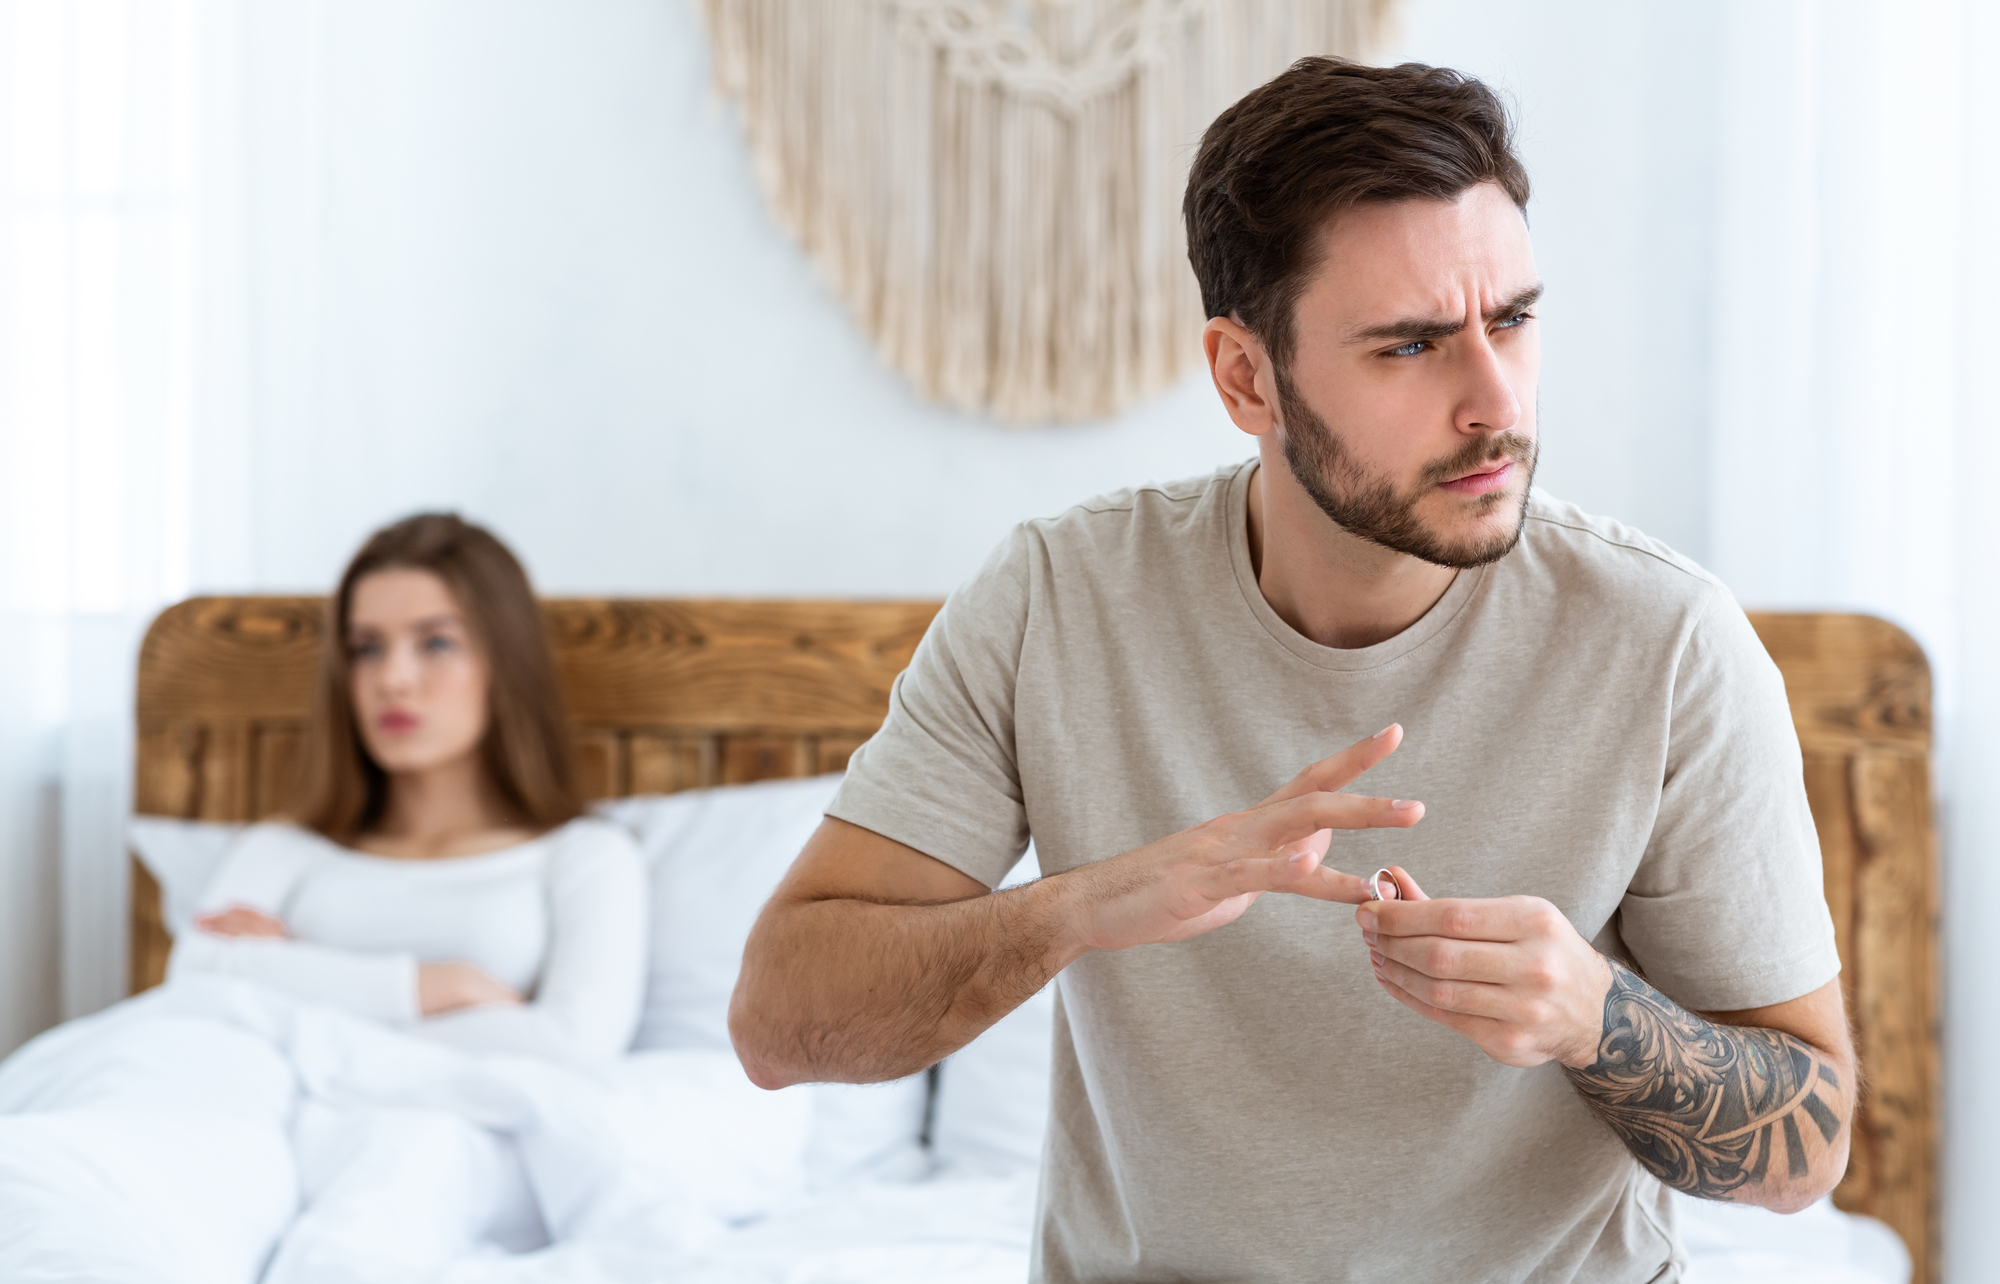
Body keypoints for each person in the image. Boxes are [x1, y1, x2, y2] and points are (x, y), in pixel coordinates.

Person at [730, 57, 1852, 1282]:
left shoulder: (1665, 641)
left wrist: (1597, 1016)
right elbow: (779, 1024)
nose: (1494, 400)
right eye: (1411, 344)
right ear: (1244, 377)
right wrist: (1080, 907)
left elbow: (1806, 1151)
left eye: (1513, 319)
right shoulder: (1056, 600)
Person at [171, 512, 646, 1066]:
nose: (392, 678)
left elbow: (576, 1045)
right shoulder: (284, 847)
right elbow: (194, 978)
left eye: (436, 644)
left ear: (506, 663)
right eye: (367, 648)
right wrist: (447, 989)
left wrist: (292, 979)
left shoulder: (585, 856)